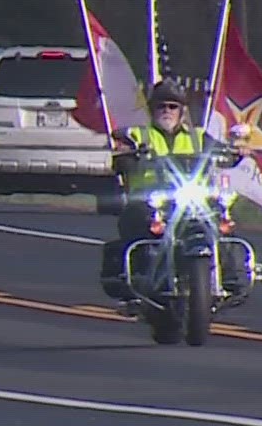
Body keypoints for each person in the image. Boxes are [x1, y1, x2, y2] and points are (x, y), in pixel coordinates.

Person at [98, 79, 248, 303]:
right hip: (151, 200)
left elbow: (221, 153)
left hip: (191, 197)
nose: (167, 111)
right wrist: (126, 152)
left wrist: (235, 151)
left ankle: (231, 278)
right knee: (137, 221)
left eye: (172, 106)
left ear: (182, 110)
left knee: (221, 219)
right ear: (151, 109)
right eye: (161, 106)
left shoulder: (199, 137)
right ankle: (137, 276)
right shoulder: (140, 135)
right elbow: (121, 153)